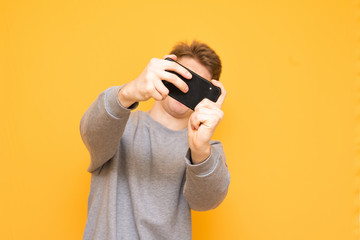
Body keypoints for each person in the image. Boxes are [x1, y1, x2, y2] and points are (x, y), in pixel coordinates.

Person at [80, 40, 230, 240]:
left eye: (196, 85)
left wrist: (200, 150)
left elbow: (206, 201)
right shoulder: (120, 122)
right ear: (165, 73)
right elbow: (91, 132)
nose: (185, 88)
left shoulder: (207, 151)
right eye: (182, 77)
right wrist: (128, 92)